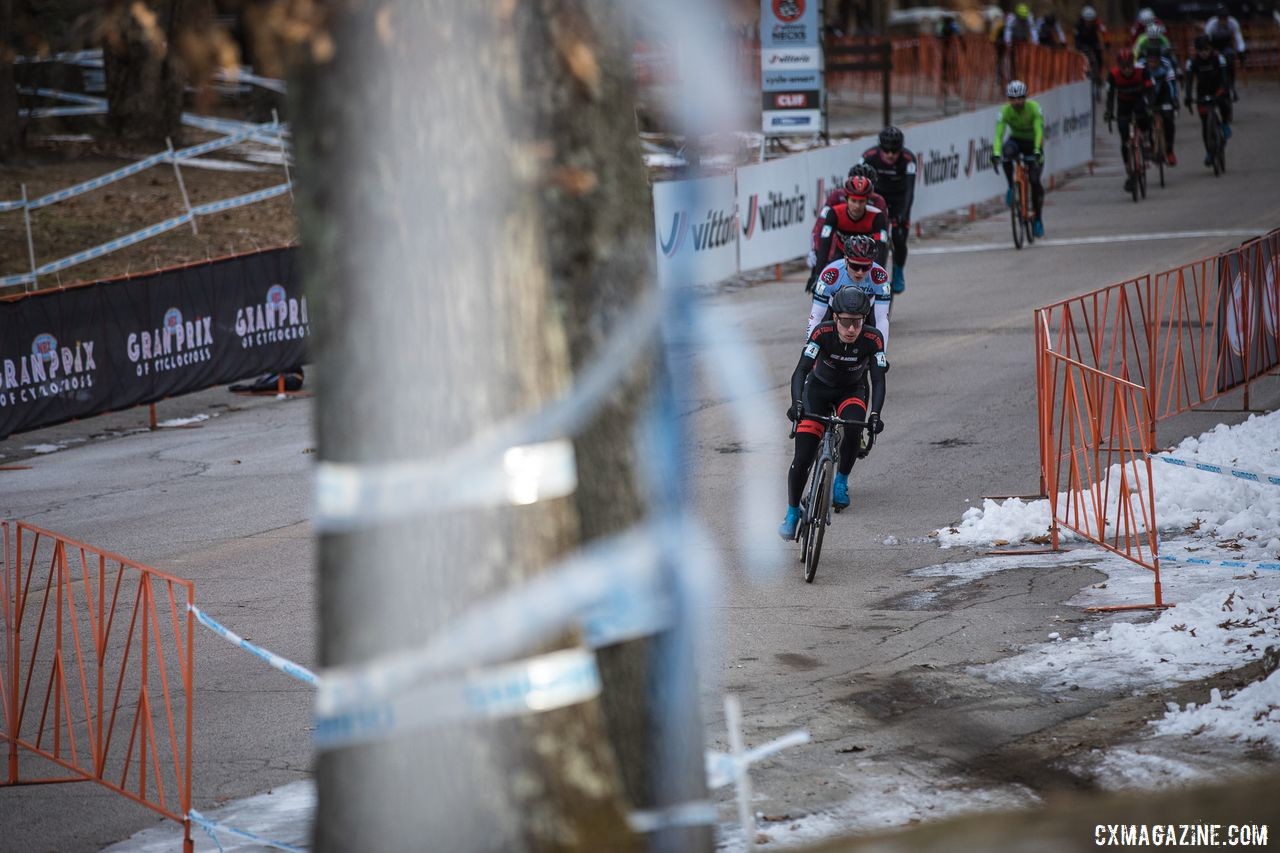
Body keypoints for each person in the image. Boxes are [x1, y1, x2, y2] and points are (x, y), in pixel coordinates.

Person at [779, 287, 887, 538]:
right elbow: (801, 370)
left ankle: (841, 480)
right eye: (846, 322)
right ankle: (793, 511)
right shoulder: (822, 333)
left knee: (853, 427)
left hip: (851, 390)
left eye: (857, 323)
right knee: (803, 456)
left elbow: (879, 381)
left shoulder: (873, 339)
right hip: (818, 390)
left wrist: (875, 415)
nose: (851, 329)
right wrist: (796, 403)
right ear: (835, 318)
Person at [807, 165, 889, 289]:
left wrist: (878, 280)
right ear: (846, 199)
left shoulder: (877, 211)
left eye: (861, 201)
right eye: (853, 201)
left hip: (868, 254)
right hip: (841, 251)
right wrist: (817, 273)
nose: (857, 206)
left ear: (868, 198)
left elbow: (881, 247)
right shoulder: (834, 211)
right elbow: (823, 237)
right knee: (826, 283)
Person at [857, 126, 917, 294]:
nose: (890, 154)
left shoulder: (908, 159)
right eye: (887, 150)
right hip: (877, 198)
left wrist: (903, 214)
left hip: (899, 199)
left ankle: (898, 271)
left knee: (899, 237)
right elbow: (857, 183)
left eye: (894, 151)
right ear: (880, 147)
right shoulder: (868, 156)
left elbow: (910, 191)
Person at [808, 234, 892, 346]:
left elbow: (882, 320)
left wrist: (881, 354)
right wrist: (809, 349)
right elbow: (815, 317)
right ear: (846, 260)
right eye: (855, 266)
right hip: (835, 310)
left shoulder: (880, 276)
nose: (860, 272)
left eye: (866, 267)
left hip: (865, 310)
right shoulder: (831, 274)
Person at [991, 80, 1045, 237]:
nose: (1017, 102)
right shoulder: (1005, 111)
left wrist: (1036, 151)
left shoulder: (1034, 108)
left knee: (1034, 181)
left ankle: (1037, 220)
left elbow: (1039, 130)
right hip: (1016, 141)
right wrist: (995, 153)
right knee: (1006, 154)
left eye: (1020, 98)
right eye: (1013, 99)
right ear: (1009, 99)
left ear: (1025, 97)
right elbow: (998, 134)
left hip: (1032, 142)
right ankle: (1010, 187)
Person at [1104, 48, 1154, 193]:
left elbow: (1150, 90)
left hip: (1139, 101)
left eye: (1129, 65)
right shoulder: (1113, 75)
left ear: (1133, 63)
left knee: (1145, 121)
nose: (1126, 69)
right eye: (1123, 66)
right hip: (1123, 105)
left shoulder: (1142, 71)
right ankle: (1129, 169)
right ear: (1119, 66)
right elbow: (1110, 95)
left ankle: (1146, 142)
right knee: (1125, 138)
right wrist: (1109, 112)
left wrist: (1150, 106)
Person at [1185, 34, 1234, 165]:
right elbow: (1189, 82)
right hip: (1202, 93)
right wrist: (1188, 97)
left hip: (1217, 89)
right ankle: (1209, 152)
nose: (1204, 53)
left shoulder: (1219, 58)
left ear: (1211, 48)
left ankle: (1224, 123)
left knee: (1223, 102)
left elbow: (1225, 77)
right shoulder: (1192, 61)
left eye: (1206, 49)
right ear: (1197, 50)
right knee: (1205, 123)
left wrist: (1225, 91)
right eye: (1201, 50)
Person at [1139, 39, 1179, 165]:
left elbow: (1172, 85)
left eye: (1155, 61)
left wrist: (1174, 100)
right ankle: (1149, 144)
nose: (1153, 64)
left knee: (1168, 120)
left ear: (1159, 59)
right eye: (1150, 61)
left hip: (1163, 93)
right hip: (1147, 94)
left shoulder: (1167, 65)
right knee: (1146, 119)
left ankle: (1170, 151)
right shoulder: (1140, 66)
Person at [1205, 4, 1246, 100]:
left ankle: (1231, 86)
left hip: (1226, 46)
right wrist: (1210, 52)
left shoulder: (1233, 23)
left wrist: (1241, 52)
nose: (1224, 20)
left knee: (1230, 60)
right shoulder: (1211, 24)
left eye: (1225, 17)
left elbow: (1239, 39)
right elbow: (1207, 40)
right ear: (1218, 18)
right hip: (1213, 45)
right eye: (1221, 18)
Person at [1074, 5, 1107, 85]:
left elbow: (1103, 31)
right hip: (1082, 43)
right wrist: (1079, 46)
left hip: (1093, 41)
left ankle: (1099, 75)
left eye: (1090, 21)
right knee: (1083, 57)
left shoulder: (1097, 22)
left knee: (1099, 56)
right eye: (1087, 20)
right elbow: (1076, 38)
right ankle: (1083, 74)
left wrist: (1106, 42)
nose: (1088, 22)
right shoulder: (1078, 25)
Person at [1004, 3, 1038, 80]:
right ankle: (1012, 73)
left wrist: (1035, 41)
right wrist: (1008, 42)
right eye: (1021, 18)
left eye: (1024, 18)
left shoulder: (1029, 17)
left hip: (1024, 38)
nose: (1023, 20)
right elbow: (1008, 31)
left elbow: (1033, 30)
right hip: (1014, 38)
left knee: (1026, 56)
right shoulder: (1011, 18)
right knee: (1012, 56)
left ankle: (1024, 72)